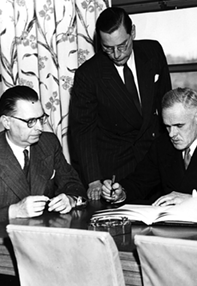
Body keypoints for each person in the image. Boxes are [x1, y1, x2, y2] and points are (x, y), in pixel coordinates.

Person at [69, 6, 172, 200]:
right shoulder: (89, 74)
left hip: (154, 163)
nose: (117, 54)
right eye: (108, 48)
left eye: (122, 45)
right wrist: (93, 180)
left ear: (132, 32)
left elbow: (166, 104)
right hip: (116, 168)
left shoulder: (153, 51)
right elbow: (83, 130)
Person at [0, 85, 87, 230]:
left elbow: (73, 183)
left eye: (41, 119)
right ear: (7, 122)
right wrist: (15, 211)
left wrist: (70, 199)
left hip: (40, 234)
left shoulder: (49, 143)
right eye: (30, 121)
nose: (39, 128)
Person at [102, 87, 197, 206]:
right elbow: (140, 182)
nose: (171, 134)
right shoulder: (162, 145)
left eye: (179, 125)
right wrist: (121, 192)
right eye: (167, 126)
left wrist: (195, 198)